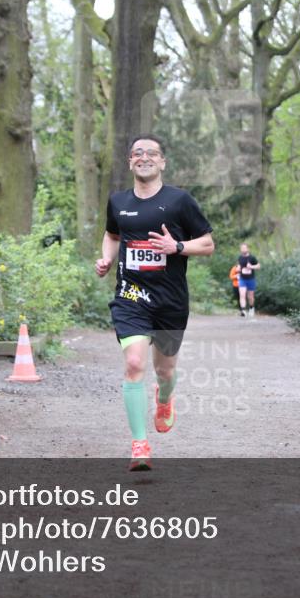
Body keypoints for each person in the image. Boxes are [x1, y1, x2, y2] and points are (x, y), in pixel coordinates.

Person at [95, 133, 214, 470]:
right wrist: (107, 259)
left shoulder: (180, 201)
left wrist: (177, 247)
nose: (144, 157)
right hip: (131, 296)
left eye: (151, 153)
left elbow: (207, 244)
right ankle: (139, 444)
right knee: (134, 364)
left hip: (169, 301)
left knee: (165, 370)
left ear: (162, 162)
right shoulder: (118, 202)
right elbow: (112, 234)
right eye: (137, 152)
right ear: (130, 161)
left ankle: (165, 397)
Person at [237, 243, 261, 317]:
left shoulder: (252, 258)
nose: (243, 249)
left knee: (250, 296)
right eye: (242, 248)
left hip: (251, 279)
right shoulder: (240, 258)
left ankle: (251, 308)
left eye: (244, 248)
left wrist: (251, 267)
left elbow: (258, 266)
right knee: (242, 294)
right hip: (242, 279)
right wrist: (238, 268)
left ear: (248, 249)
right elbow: (239, 266)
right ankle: (243, 310)